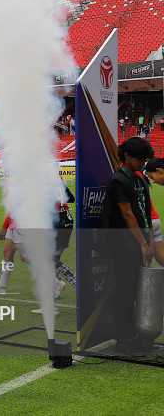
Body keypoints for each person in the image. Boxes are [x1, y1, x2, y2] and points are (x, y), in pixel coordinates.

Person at [102, 137, 154, 355]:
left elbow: (145, 212)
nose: (143, 162)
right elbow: (127, 214)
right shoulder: (118, 180)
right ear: (127, 156)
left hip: (139, 242)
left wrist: (149, 241)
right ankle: (123, 338)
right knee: (125, 290)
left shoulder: (139, 179)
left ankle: (134, 333)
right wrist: (143, 243)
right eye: (140, 158)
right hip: (123, 244)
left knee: (135, 290)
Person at [143, 157, 164, 266]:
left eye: (152, 177)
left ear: (159, 170)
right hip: (153, 218)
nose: (153, 181)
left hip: (148, 220)